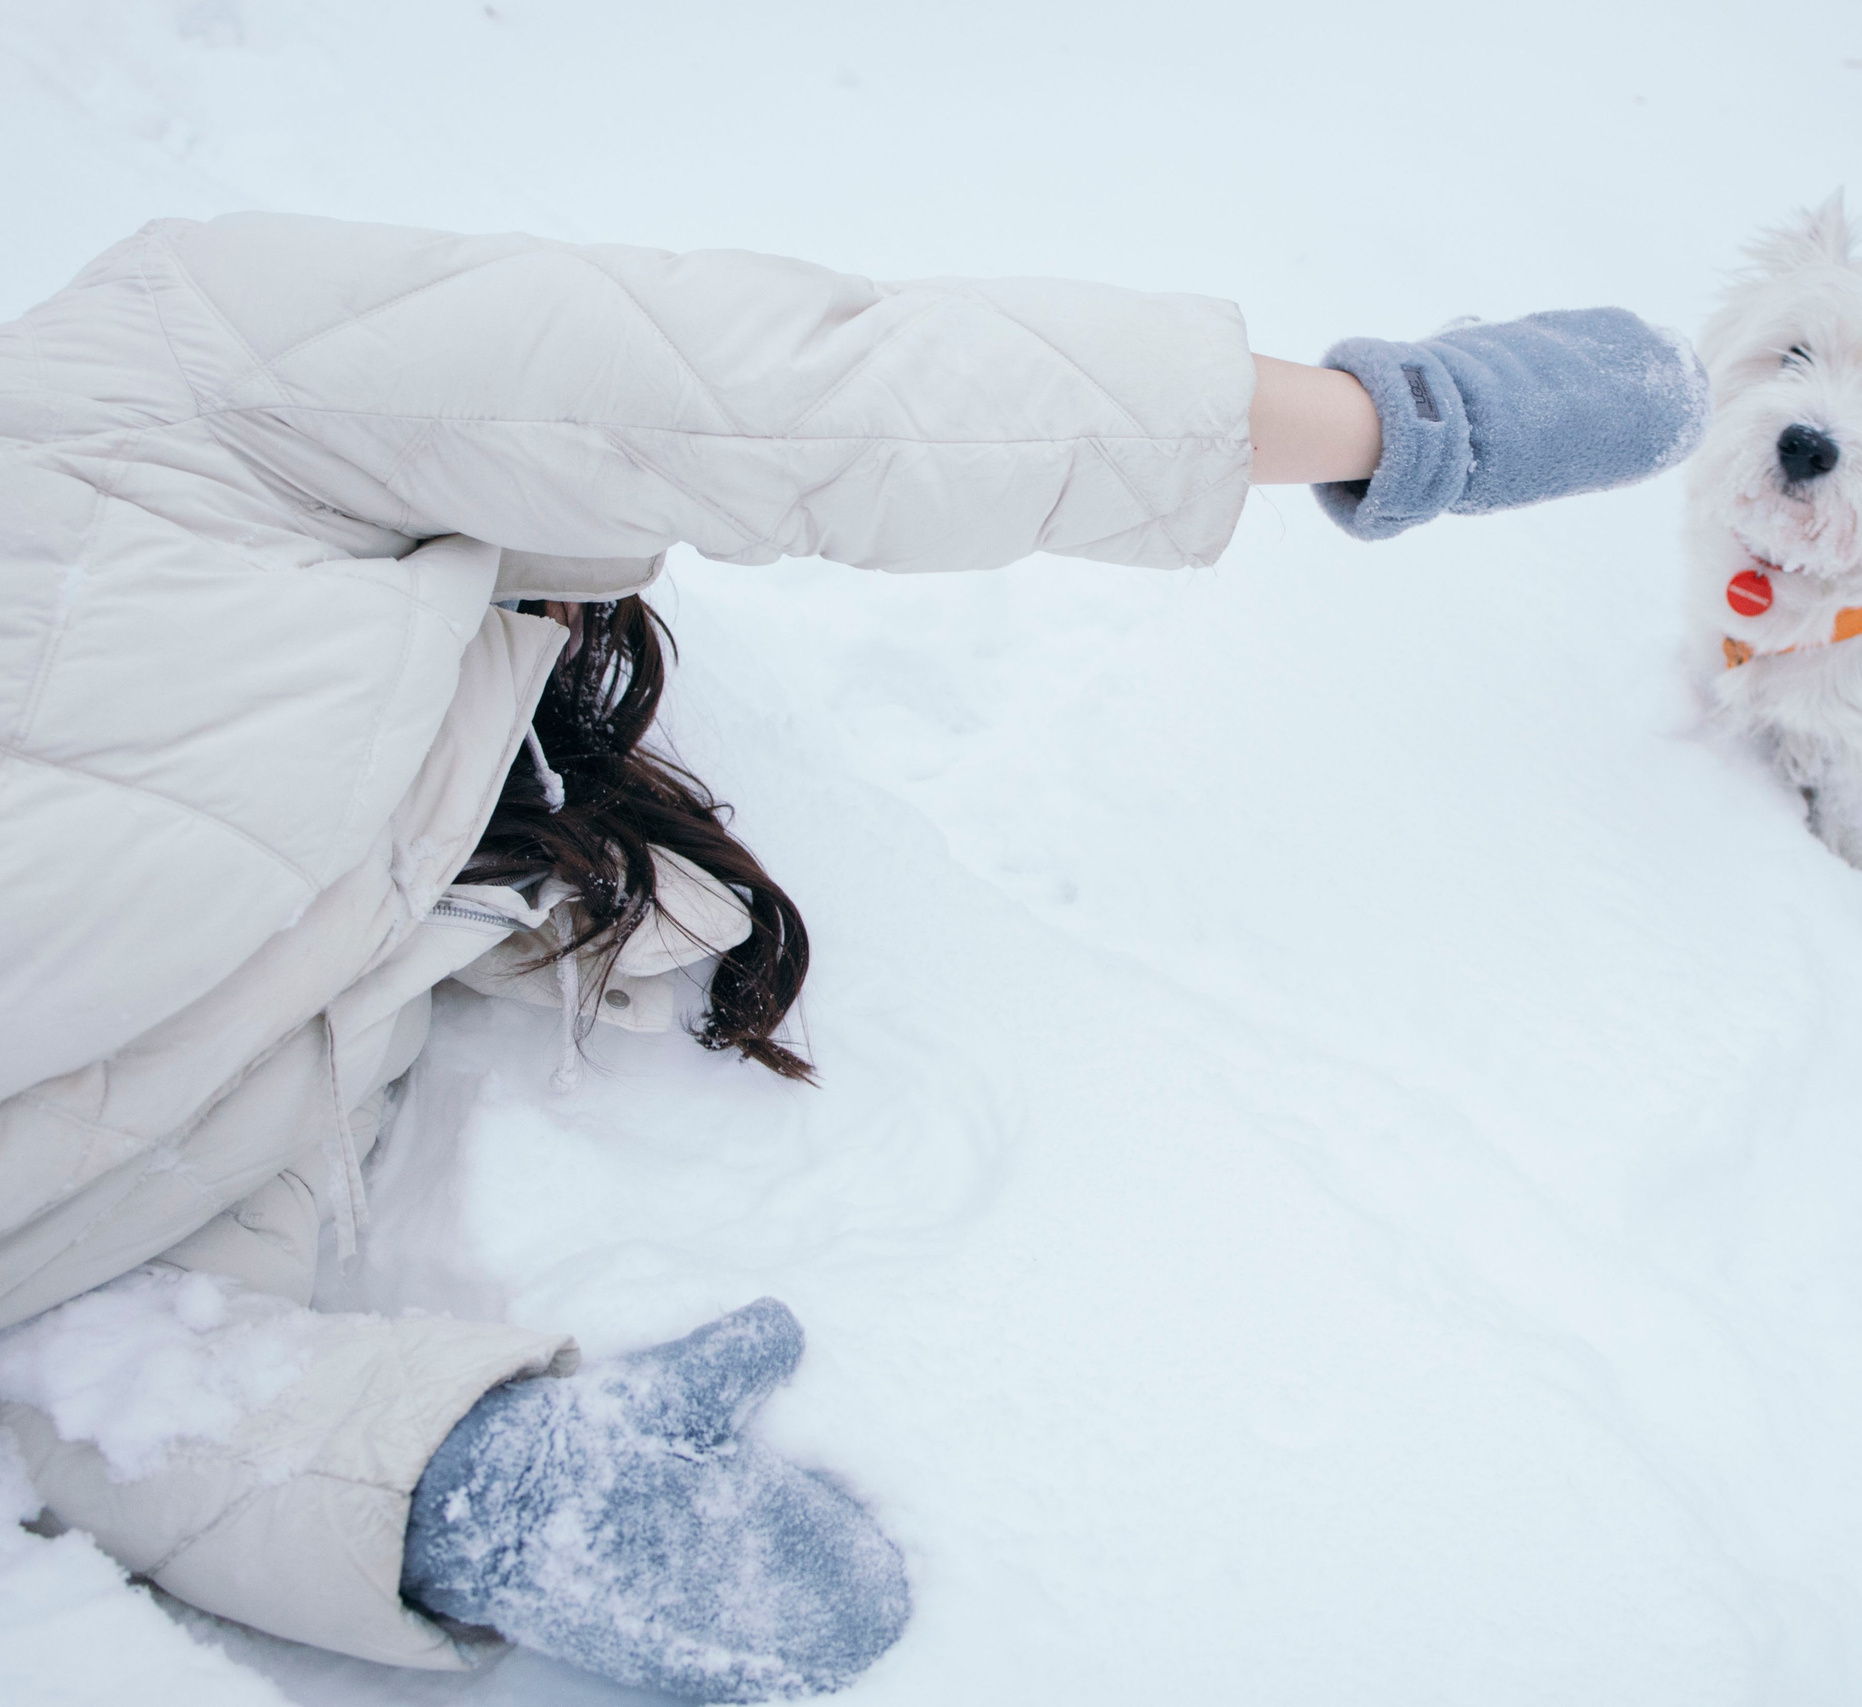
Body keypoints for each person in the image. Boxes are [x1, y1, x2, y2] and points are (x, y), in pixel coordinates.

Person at [0, 214, 1709, 1700]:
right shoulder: (154, 372)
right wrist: (1389, 423)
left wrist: (444, 1483)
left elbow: (89, 1320)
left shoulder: (180, 416)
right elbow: (790, 395)